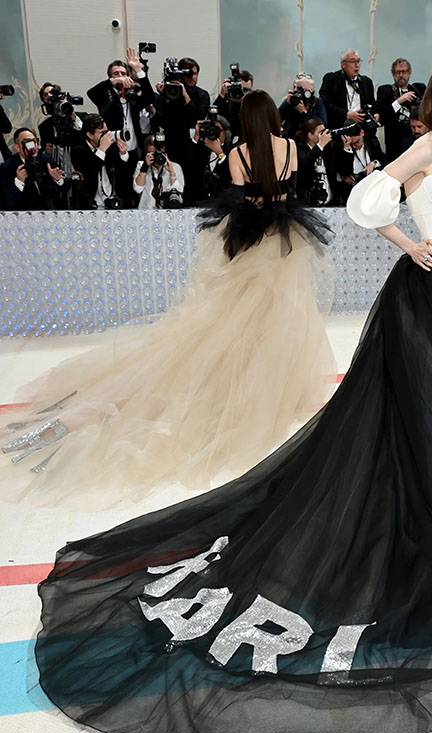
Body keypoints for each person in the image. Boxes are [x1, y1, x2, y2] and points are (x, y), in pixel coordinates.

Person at [33, 59, 432, 733]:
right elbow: (366, 201)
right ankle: (399, 529)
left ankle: (428, 517)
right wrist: (411, 243)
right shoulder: (421, 150)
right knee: (415, 417)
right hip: (427, 298)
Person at [0, 91, 335, 506]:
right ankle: (274, 390)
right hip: (285, 243)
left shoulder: (237, 154)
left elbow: (237, 205)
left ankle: (240, 386)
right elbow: (289, 191)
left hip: (251, 244)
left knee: (234, 322)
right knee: (284, 317)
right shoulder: (290, 148)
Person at [153, 57, 210, 167]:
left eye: (195, 74)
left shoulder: (202, 95)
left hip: (194, 144)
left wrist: (185, 95)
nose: (193, 78)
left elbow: (198, 116)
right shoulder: (170, 93)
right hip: (173, 143)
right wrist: (164, 97)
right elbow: (164, 120)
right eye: (189, 74)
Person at [70, 114, 132, 209]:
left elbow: (123, 175)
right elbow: (89, 174)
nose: (106, 136)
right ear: (90, 135)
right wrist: (102, 149)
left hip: (114, 202)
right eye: (101, 133)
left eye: (106, 132)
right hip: (91, 204)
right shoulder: (78, 151)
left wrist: (123, 154)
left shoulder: (112, 147)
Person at [0, 127, 68, 210]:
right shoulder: (8, 166)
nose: (32, 147)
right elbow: (8, 202)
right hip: (22, 215)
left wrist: (58, 180)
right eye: (27, 143)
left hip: (48, 212)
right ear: (17, 147)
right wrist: (19, 182)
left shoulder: (47, 160)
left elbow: (65, 188)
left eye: (34, 142)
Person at [376, 58, 425, 162]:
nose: (401, 75)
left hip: (416, 141)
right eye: (398, 72)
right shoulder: (385, 91)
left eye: (404, 72)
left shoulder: (418, 89)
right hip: (394, 144)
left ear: (409, 72)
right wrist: (399, 101)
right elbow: (382, 117)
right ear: (393, 74)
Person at [328, 120, 385, 205]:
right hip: (351, 192)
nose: (350, 139)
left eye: (356, 141)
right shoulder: (340, 148)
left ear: (361, 133)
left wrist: (374, 163)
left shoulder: (372, 142)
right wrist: (347, 148)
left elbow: (385, 160)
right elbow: (344, 172)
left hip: (372, 188)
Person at [319, 48, 377, 130]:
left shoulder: (366, 82)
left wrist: (375, 114)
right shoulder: (332, 79)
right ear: (343, 64)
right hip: (339, 127)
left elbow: (372, 104)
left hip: (362, 129)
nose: (357, 65)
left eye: (358, 61)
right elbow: (324, 103)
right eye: (353, 62)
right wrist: (346, 114)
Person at [132, 132, 185, 209]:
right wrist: (145, 167)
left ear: (163, 149)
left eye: (158, 152)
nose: (156, 156)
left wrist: (171, 172)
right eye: (153, 153)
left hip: (168, 212)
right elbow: (137, 189)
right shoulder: (141, 166)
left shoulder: (175, 167)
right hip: (146, 212)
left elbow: (179, 191)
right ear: (147, 153)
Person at [295, 117, 333, 205]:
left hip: (329, 198)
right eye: (320, 132)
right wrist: (320, 145)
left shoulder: (328, 148)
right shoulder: (299, 148)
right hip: (308, 199)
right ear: (310, 135)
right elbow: (305, 162)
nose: (324, 135)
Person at [279, 73, 327, 140]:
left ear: (312, 91)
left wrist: (304, 112)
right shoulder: (289, 102)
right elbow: (275, 120)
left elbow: (323, 124)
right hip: (291, 139)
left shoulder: (317, 102)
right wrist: (286, 103)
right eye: (299, 90)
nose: (302, 94)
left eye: (306, 91)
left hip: (309, 142)